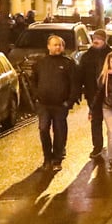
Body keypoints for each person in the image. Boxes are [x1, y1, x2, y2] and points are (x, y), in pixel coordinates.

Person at [30, 35, 80, 172]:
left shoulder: (68, 63)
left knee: (59, 131)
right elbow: (33, 80)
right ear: (48, 46)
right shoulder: (41, 63)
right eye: (55, 45)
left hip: (60, 105)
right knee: (43, 129)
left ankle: (57, 158)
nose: (58, 47)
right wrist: (36, 96)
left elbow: (74, 84)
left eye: (60, 45)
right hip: (44, 104)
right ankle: (47, 157)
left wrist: (69, 101)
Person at [80, 29, 111, 158]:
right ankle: (97, 147)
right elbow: (81, 75)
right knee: (96, 121)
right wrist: (81, 91)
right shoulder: (87, 56)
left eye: (99, 38)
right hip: (93, 94)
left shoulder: (111, 55)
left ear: (104, 40)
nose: (96, 41)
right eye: (94, 39)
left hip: (110, 94)